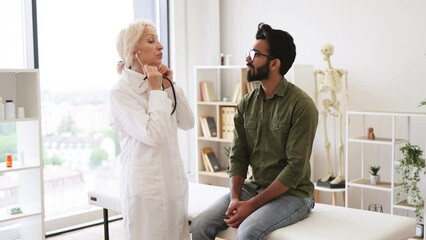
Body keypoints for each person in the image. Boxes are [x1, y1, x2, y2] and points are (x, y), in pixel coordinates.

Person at [191, 23, 318, 240]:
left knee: (248, 231)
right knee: (200, 225)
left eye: (255, 54)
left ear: (275, 63)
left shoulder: (302, 106)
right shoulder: (246, 104)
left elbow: (294, 169)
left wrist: (250, 205)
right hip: (254, 187)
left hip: (294, 195)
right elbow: (238, 156)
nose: (247, 59)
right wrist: (234, 198)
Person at [110, 19, 194, 240]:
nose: (161, 46)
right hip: (146, 191)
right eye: (151, 40)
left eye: (157, 39)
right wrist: (156, 91)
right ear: (133, 50)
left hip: (173, 185)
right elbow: (153, 135)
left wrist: (169, 86)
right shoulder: (121, 92)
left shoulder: (159, 83)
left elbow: (188, 122)